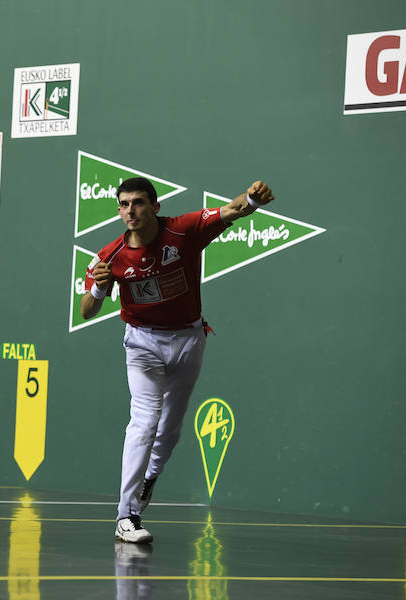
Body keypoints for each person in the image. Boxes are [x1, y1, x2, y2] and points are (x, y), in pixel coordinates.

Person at [80, 176, 274, 544]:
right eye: (123, 204)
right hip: (141, 344)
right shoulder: (110, 256)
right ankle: (126, 515)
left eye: (137, 203)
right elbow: (87, 310)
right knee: (144, 420)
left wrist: (252, 198)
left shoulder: (184, 231)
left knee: (169, 428)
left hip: (188, 339)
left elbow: (232, 210)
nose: (129, 211)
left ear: (154, 207)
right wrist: (99, 286)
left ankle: (148, 478)